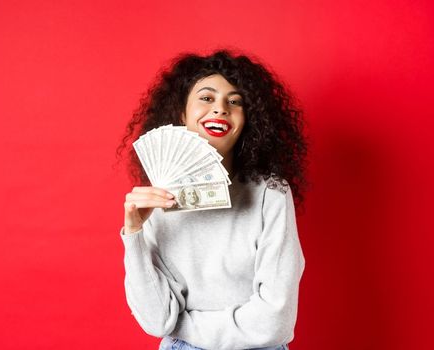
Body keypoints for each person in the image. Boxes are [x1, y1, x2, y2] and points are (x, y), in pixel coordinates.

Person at [116, 50, 308, 350]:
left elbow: (275, 322)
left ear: (247, 121)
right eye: (207, 98)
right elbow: (156, 321)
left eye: (234, 101)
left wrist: (184, 325)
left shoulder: (270, 192)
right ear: (182, 113)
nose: (220, 109)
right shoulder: (157, 202)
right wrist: (134, 235)